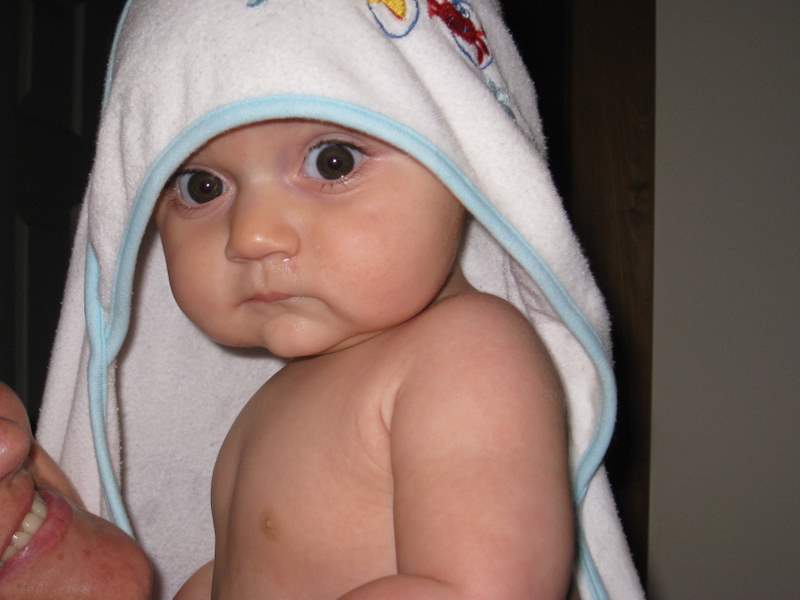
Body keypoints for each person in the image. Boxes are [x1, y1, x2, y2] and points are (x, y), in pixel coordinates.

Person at [27, 1, 644, 599]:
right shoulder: (271, 404)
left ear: (461, 156)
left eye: (332, 161)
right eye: (202, 186)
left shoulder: (469, 354)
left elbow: (484, 588)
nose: (252, 235)